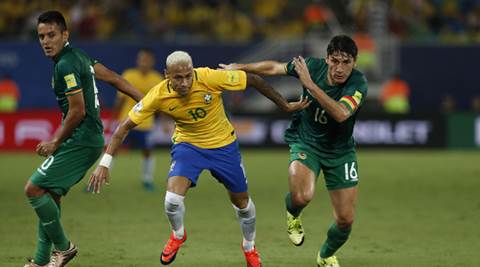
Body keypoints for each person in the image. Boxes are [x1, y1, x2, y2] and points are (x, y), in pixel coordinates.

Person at [88, 51, 310, 267]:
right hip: (189, 147)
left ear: (193, 71)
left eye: (188, 76)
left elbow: (253, 80)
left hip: (224, 146)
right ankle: (178, 234)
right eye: (178, 78)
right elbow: (122, 128)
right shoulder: (157, 95)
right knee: (171, 200)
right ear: (167, 74)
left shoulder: (210, 77)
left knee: (242, 204)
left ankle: (249, 246)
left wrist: (284, 105)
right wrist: (104, 164)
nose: (184, 82)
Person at [220, 35, 368, 267]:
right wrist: (240, 66)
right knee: (302, 196)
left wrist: (310, 85)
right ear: (327, 58)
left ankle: (326, 255)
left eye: (346, 62)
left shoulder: (358, 83)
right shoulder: (311, 66)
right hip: (306, 141)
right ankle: (293, 214)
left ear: (355, 63)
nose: (340, 68)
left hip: (340, 152)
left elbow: (341, 113)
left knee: (345, 220)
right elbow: (274, 67)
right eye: (335, 61)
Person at [23, 10, 143, 267]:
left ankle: (64, 249)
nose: (45, 41)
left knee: (33, 189)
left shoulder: (66, 64)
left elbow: (78, 111)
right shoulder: (80, 56)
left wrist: (55, 141)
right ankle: (42, 261)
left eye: (51, 35)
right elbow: (114, 77)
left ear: (65, 34)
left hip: (81, 139)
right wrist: (146, 101)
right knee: (49, 196)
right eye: (41, 36)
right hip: (87, 138)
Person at [111, 48, 163, 191]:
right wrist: (113, 117)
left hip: (146, 123)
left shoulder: (157, 79)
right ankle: (100, 176)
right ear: (137, 61)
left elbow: (162, 103)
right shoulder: (129, 75)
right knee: (112, 149)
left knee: (147, 151)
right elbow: (120, 99)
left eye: (147, 60)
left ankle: (147, 180)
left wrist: (164, 121)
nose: (144, 62)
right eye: (142, 59)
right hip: (126, 120)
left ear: (152, 62)